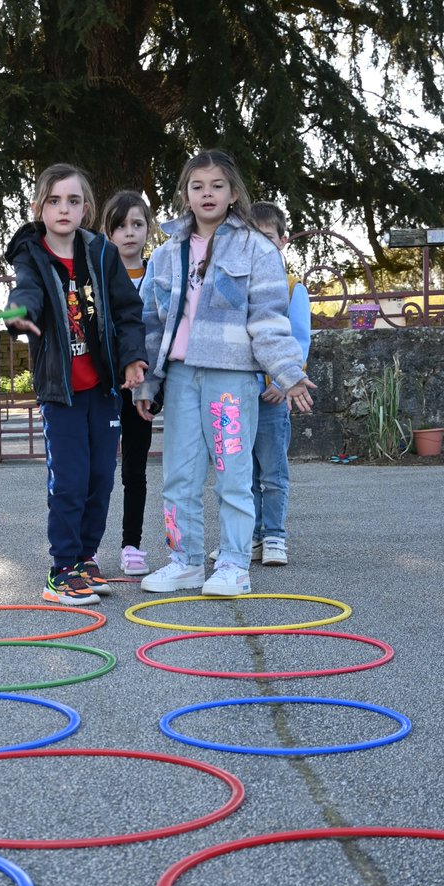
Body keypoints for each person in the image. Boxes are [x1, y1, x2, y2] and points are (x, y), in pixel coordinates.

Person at [133, 149, 314, 597]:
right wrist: (148, 382)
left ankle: (234, 563)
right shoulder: (166, 253)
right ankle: (185, 560)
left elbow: (269, 319)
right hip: (179, 378)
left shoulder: (257, 248)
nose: (207, 193)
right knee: (178, 474)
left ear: (234, 192)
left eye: (217, 186)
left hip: (231, 381)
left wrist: (287, 373)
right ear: (185, 194)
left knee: (234, 472)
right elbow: (152, 324)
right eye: (198, 186)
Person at [4, 163, 148, 605]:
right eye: (54, 200)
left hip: (102, 390)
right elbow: (26, 292)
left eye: (73, 200)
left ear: (86, 207)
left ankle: (85, 558)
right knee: (69, 480)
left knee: (100, 478)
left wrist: (132, 359)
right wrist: (17, 315)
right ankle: (60, 568)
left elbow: (127, 311)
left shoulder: (101, 253)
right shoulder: (32, 254)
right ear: (39, 208)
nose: (63, 208)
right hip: (61, 392)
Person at [249, 200, 312, 565]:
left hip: (274, 396)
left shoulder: (292, 288)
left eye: (268, 238)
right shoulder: (244, 287)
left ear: (283, 240)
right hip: (241, 395)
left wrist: (284, 380)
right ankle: (251, 536)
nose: (262, 245)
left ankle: (274, 535)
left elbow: (299, 340)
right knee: (244, 475)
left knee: (272, 472)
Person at [102, 190, 159, 577]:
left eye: (137, 224)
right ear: (108, 232)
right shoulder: (97, 275)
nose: (129, 233)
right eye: (120, 226)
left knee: (135, 471)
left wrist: (150, 386)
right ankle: (87, 550)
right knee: (98, 470)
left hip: (142, 391)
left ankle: (132, 545)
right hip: (104, 389)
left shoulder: (160, 276)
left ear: (148, 230)